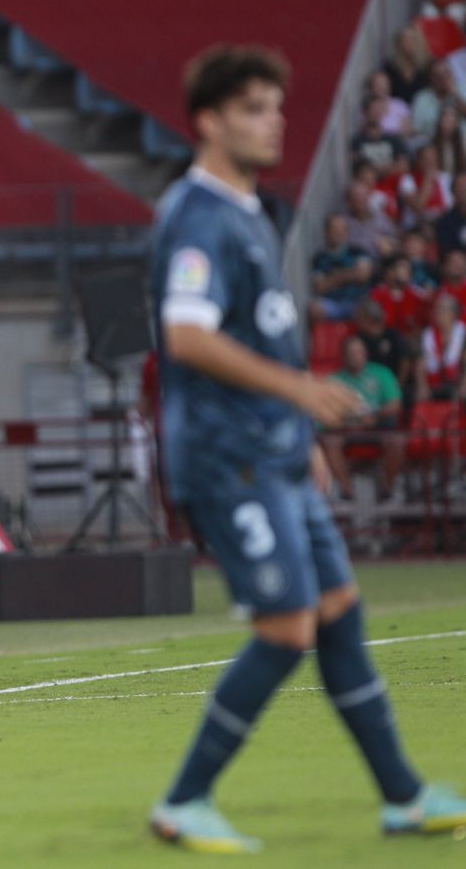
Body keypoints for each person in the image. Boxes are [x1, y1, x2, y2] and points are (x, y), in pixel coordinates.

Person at [147, 43, 465, 852]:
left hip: (278, 453)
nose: (274, 122)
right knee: (288, 628)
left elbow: (267, 339)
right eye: (254, 109)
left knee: (339, 614)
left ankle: (402, 796)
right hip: (230, 458)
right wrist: (296, 396)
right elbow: (186, 335)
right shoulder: (196, 216)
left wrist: (303, 434)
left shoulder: (251, 211)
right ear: (210, 122)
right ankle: (185, 800)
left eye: (277, 107)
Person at [321, 335, 405, 504]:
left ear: (365, 354)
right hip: (346, 428)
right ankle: (347, 493)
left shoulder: (382, 373)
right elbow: (325, 413)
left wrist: (374, 417)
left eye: (359, 352)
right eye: (351, 353)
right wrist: (349, 422)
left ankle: (387, 492)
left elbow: (394, 404)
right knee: (329, 441)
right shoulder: (333, 381)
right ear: (343, 356)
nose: (355, 356)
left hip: (377, 426)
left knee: (397, 440)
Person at [352, 299, 416, 415]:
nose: (356, 321)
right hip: (368, 385)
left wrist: (397, 385)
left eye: (360, 317)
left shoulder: (393, 335)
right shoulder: (360, 339)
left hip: (395, 384)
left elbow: (405, 361)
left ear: (368, 318)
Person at [308, 215, 373, 322]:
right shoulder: (319, 258)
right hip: (333, 303)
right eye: (334, 229)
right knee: (314, 309)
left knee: (369, 310)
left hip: (357, 302)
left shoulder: (357, 251)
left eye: (342, 228)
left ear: (347, 232)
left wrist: (334, 277)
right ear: (326, 233)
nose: (338, 232)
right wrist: (351, 274)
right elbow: (320, 287)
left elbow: (363, 276)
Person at [417, 294, 466, 403]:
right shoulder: (427, 334)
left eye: (443, 310)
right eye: (437, 309)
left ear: (454, 314)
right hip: (434, 380)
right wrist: (422, 386)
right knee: (417, 395)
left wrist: (464, 384)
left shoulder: (462, 333)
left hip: (456, 380)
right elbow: (421, 363)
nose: (438, 313)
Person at [366, 256, 428, 336]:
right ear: (390, 272)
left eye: (408, 268)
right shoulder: (377, 295)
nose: (407, 271)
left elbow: (422, 326)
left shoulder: (418, 295)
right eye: (402, 267)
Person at [349, 93, 409, 172]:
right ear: (365, 113)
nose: (376, 113)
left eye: (379, 109)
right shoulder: (357, 140)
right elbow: (360, 169)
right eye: (373, 109)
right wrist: (390, 168)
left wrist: (377, 169)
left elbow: (403, 166)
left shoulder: (393, 139)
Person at [410, 60, 461, 144]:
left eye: (446, 73)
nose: (443, 78)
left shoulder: (462, 90)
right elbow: (415, 130)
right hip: (432, 146)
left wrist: (453, 94)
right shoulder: (422, 99)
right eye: (439, 75)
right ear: (431, 78)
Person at [366, 69, 411, 137]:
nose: (382, 87)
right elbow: (368, 132)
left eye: (384, 84)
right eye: (378, 84)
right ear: (371, 88)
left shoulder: (399, 104)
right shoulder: (367, 109)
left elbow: (407, 131)